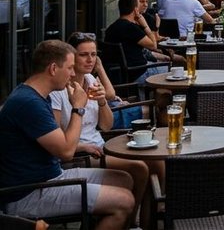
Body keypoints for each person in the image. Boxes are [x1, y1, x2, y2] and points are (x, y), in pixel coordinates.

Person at [0, 40, 135, 229]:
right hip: (28, 193)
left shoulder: (37, 96)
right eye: (70, 68)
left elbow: (103, 126)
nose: (73, 74)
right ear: (53, 68)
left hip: (52, 177)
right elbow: (66, 152)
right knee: (124, 201)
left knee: (124, 179)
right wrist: (78, 108)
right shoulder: (28, 103)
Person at [51, 33, 156, 229]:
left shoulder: (90, 79)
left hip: (99, 145)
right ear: (71, 56)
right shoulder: (58, 90)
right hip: (78, 154)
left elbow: (106, 126)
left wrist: (101, 102)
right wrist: (84, 145)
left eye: (93, 54)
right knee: (139, 168)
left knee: (153, 163)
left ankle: (136, 220)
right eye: (83, 55)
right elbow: (58, 139)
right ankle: (129, 222)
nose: (90, 59)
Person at [104, 0, 170, 85]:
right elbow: (153, 45)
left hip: (118, 74)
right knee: (171, 71)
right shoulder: (131, 28)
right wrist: (145, 25)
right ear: (135, 10)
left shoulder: (111, 28)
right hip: (137, 72)